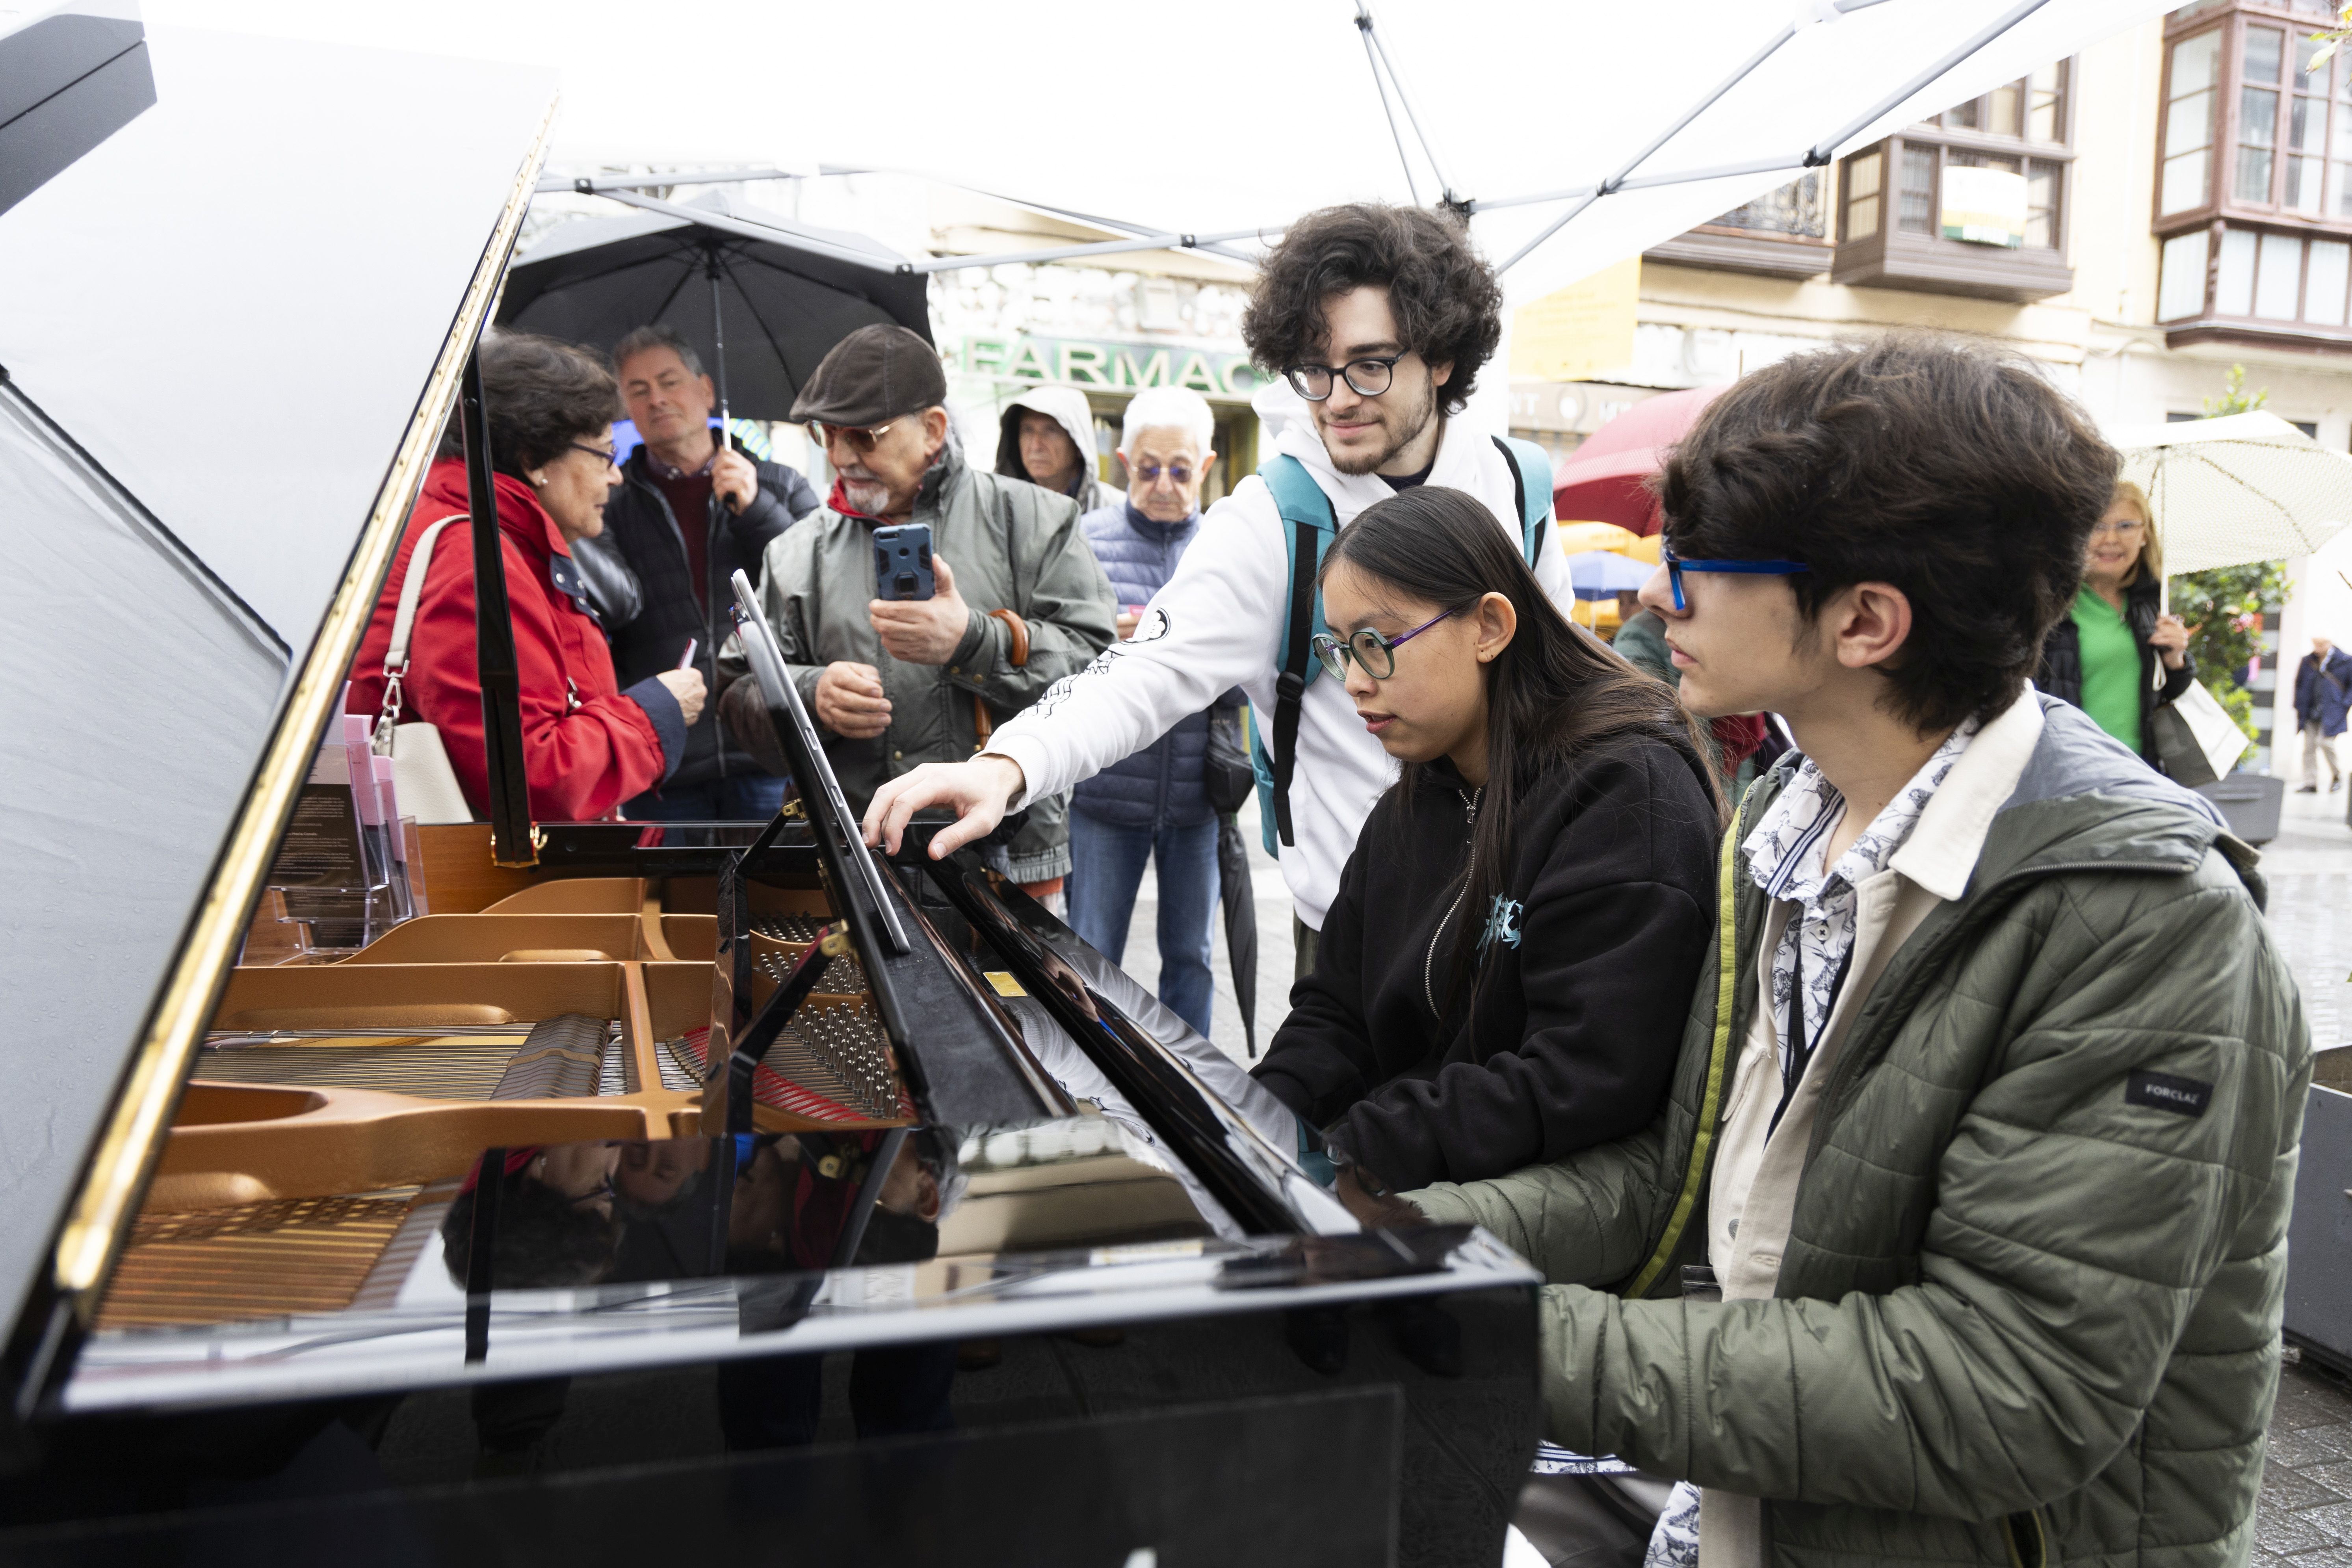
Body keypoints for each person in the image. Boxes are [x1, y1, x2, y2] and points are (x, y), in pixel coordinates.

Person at [1378, 337, 2308, 1568]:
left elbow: (1998, 1385)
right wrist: (1372, 1238)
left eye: (1696, 567)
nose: (1662, 598)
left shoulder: (2144, 921)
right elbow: (1682, 1185)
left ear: (1864, 620)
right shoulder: (1786, 820)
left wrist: (1473, 1332)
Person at [859, 203, 1579, 977]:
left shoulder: (1520, 485)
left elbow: (1559, 691)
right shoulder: (1276, 515)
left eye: (1370, 364)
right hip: (1352, 940)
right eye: (1314, 367)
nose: (1335, 398)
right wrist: (1007, 766)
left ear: (1441, 357)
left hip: (1513, 919)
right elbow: (1145, 670)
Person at [1251, 487, 1718, 1200]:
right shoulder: (1414, 800)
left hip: (1532, 1207)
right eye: (1338, 649)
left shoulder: (1627, 795)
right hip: (1395, 1171)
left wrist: (1342, 1153)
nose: (1351, 681)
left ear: (1490, 626)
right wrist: (1250, 1120)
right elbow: (1334, 1012)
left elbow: (1580, 1078)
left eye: (1376, 646)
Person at [719, 324, 1117, 904]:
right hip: (851, 854)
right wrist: (810, 694)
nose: (838, 457)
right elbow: (736, 690)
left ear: (933, 430)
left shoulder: (1036, 519)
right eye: (825, 434)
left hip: (1008, 859)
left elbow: (1102, 676)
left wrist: (974, 641)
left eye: (862, 435)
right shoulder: (793, 552)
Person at [347, 331, 702, 821]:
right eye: (604, 454)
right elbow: (533, 776)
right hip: (495, 889)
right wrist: (656, 712)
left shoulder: (475, 534)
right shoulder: (474, 561)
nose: (615, 476)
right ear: (535, 461)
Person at [1065, 386, 1238, 1038]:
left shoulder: (1226, 547)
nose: (1164, 485)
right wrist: (1107, 646)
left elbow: (1249, 678)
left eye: (1181, 470)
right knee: (1090, 952)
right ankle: (1085, 1073)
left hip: (1196, 798)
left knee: (1191, 958)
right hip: (1106, 795)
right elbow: (1058, 657)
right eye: (1148, 469)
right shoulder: (1087, 540)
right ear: (1122, 462)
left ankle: (1194, 1085)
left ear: (1207, 464)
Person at [599, 323, 820, 821]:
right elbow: (612, 612)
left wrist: (756, 507)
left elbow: (815, 588)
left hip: (765, 744)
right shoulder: (610, 503)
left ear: (705, 390)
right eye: (638, 390)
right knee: (672, 900)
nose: (656, 399)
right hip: (666, 754)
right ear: (626, 407)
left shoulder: (779, 484)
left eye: (669, 381)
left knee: (776, 899)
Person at [2035, 479, 2193, 767]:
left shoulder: (2150, 605)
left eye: (2126, 526)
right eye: (2097, 526)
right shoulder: (2050, 605)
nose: (2110, 540)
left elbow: (2166, 694)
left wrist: (2176, 659)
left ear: (2145, 535)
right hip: (2070, 770)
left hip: (2139, 770)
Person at [995, 385, 1124, 513]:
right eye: (1028, 430)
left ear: (1079, 444)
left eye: (1051, 431)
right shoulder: (1001, 509)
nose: (1036, 446)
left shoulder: (1117, 511)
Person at [2294, 633, 2352, 792]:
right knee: (2309, 748)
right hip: (2311, 710)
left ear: (2329, 643)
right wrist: (2299, 705)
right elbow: (2300, 684)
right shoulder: (2308, 661)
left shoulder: (2345, 661)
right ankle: (2310, 782)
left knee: (2325, 743)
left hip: (2332, 711)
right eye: (2315, 644)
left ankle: (2337, 775)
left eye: (2321, 644)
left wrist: (2344, 705)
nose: (2317, 648)